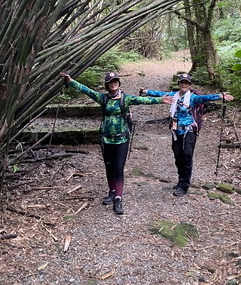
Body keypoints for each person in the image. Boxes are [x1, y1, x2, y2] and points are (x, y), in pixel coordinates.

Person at [59, 70, 168, 215]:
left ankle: (118, 198)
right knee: (109, 167)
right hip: (106, 139)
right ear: (107, 84)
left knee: (118, 168)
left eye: (115, 81)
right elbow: (87, 91)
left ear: (119, 83)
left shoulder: (125, 99)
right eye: (111, 82)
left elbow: (142, 100)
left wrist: (161, 100)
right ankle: (111, 192)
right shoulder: (102, 98)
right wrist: (71, 81)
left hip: (121, 139)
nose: (113, 83)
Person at [140, 72, 234, 197]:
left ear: (189, 85)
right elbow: (160, 94)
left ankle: (184, 185)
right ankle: (180, 180)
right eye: (182, 82)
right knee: (178, 155)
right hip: (176, 130)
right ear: (179, 84)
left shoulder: (193, 98)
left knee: (187, 155)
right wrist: (146, 92)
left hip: (189, 130)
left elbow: (206, 97)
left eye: (187, 83)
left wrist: (220, 96)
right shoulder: (174, 95)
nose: (184, 84)